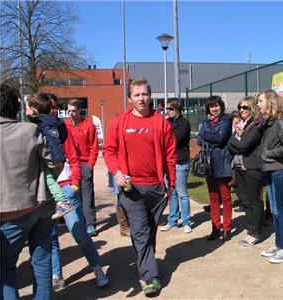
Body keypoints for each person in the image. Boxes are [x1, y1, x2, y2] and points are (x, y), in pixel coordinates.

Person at [103, 78, 176, 296]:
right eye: (137, 95)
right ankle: (150, 276)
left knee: (148, 232)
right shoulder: (120, 122)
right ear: (130, 98)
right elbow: (108, 151)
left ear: (150, 96)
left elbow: (170, 156)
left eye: (144, 94)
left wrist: (170, 184)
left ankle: (146, 265)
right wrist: (116, 172)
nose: (141, 98)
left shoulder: (161, 122)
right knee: (140, 231)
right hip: (131, 188)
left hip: (156, 188)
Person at [47, 94, 108, 290]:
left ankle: (97, 267)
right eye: (49, 108)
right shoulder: (35, 130)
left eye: (55, 108)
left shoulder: (64, 129)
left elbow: (76, 155)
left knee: (79, 231)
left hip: (67, 185)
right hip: (45, 189)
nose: (54, 111)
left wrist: (75, 179)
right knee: (50, 236)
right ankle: (57, 274)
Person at [0, 84, 54, 299]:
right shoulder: (31, 130)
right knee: (41, 262)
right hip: (39, 206)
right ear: (17, 106)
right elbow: (55, 161)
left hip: (7, 214)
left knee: (5, 269)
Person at [256, 90, 283, 264]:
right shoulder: (268, 122)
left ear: (270, 102)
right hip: (269, 170)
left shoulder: (279, 121)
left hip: (279, 170)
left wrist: (270, 154)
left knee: (279, 211)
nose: (258, 104)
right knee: (274, 211)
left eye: (260, 101)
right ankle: (279, 245)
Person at [25, 93, 73, 219]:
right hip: (54, 157)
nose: (25, 111)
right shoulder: (52, 122)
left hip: (52, 159)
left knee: (49, 180)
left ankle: (63, 201)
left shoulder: (43, 123)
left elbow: (53, 141)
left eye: (27, 108)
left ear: (34, 109)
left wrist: (57, 158)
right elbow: (61, 136)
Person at [228, 96, 264, 246]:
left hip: (251, 167)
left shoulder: (256, 125)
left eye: (245, 107)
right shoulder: (240, 125)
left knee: (254, 201)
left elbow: (243, 145)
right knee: (245, 200)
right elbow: (231, 144)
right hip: (238, 166)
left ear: (252, 109)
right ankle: (250, 228)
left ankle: (254, 232)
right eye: (240, 107)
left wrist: (233, 141)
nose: (241, 110)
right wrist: (235, 141)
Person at [197, 95, 233, 242]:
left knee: (225, 196)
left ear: (221, 106)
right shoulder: (205, 121)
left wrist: (207, 135)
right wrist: (211, 135)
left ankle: (227, 227)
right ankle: (215, 227)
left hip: (223, 162)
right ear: (208, 108)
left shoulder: (226, 120)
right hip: (209, 163)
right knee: (213, 196)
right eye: (212, 106)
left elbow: (221, 138)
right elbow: (199, 139)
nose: (214, 108)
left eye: (217, 105)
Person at [65, 99, 99, 236]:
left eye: (74, 111)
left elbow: (94, 147)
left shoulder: (89, 126)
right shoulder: (65, 126)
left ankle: (90, 224)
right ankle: (76, 222)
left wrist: (90, 164)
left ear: (79, 111)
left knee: (87, 195)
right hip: (71, 165)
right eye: (69, 111)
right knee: (72, 194)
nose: (71, 113)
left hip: (85, 164)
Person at [160, 98, 192, 234]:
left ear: (178, 109)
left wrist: (165, 136)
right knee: (171, 193)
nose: (168, 111)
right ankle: (172, 221)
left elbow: (174, 140)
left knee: (182, 193)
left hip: (180, 161)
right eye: (167, 109)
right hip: (169, 162)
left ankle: (186, 222)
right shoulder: (167, 122)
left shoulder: (184, 123)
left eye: (171, 109)